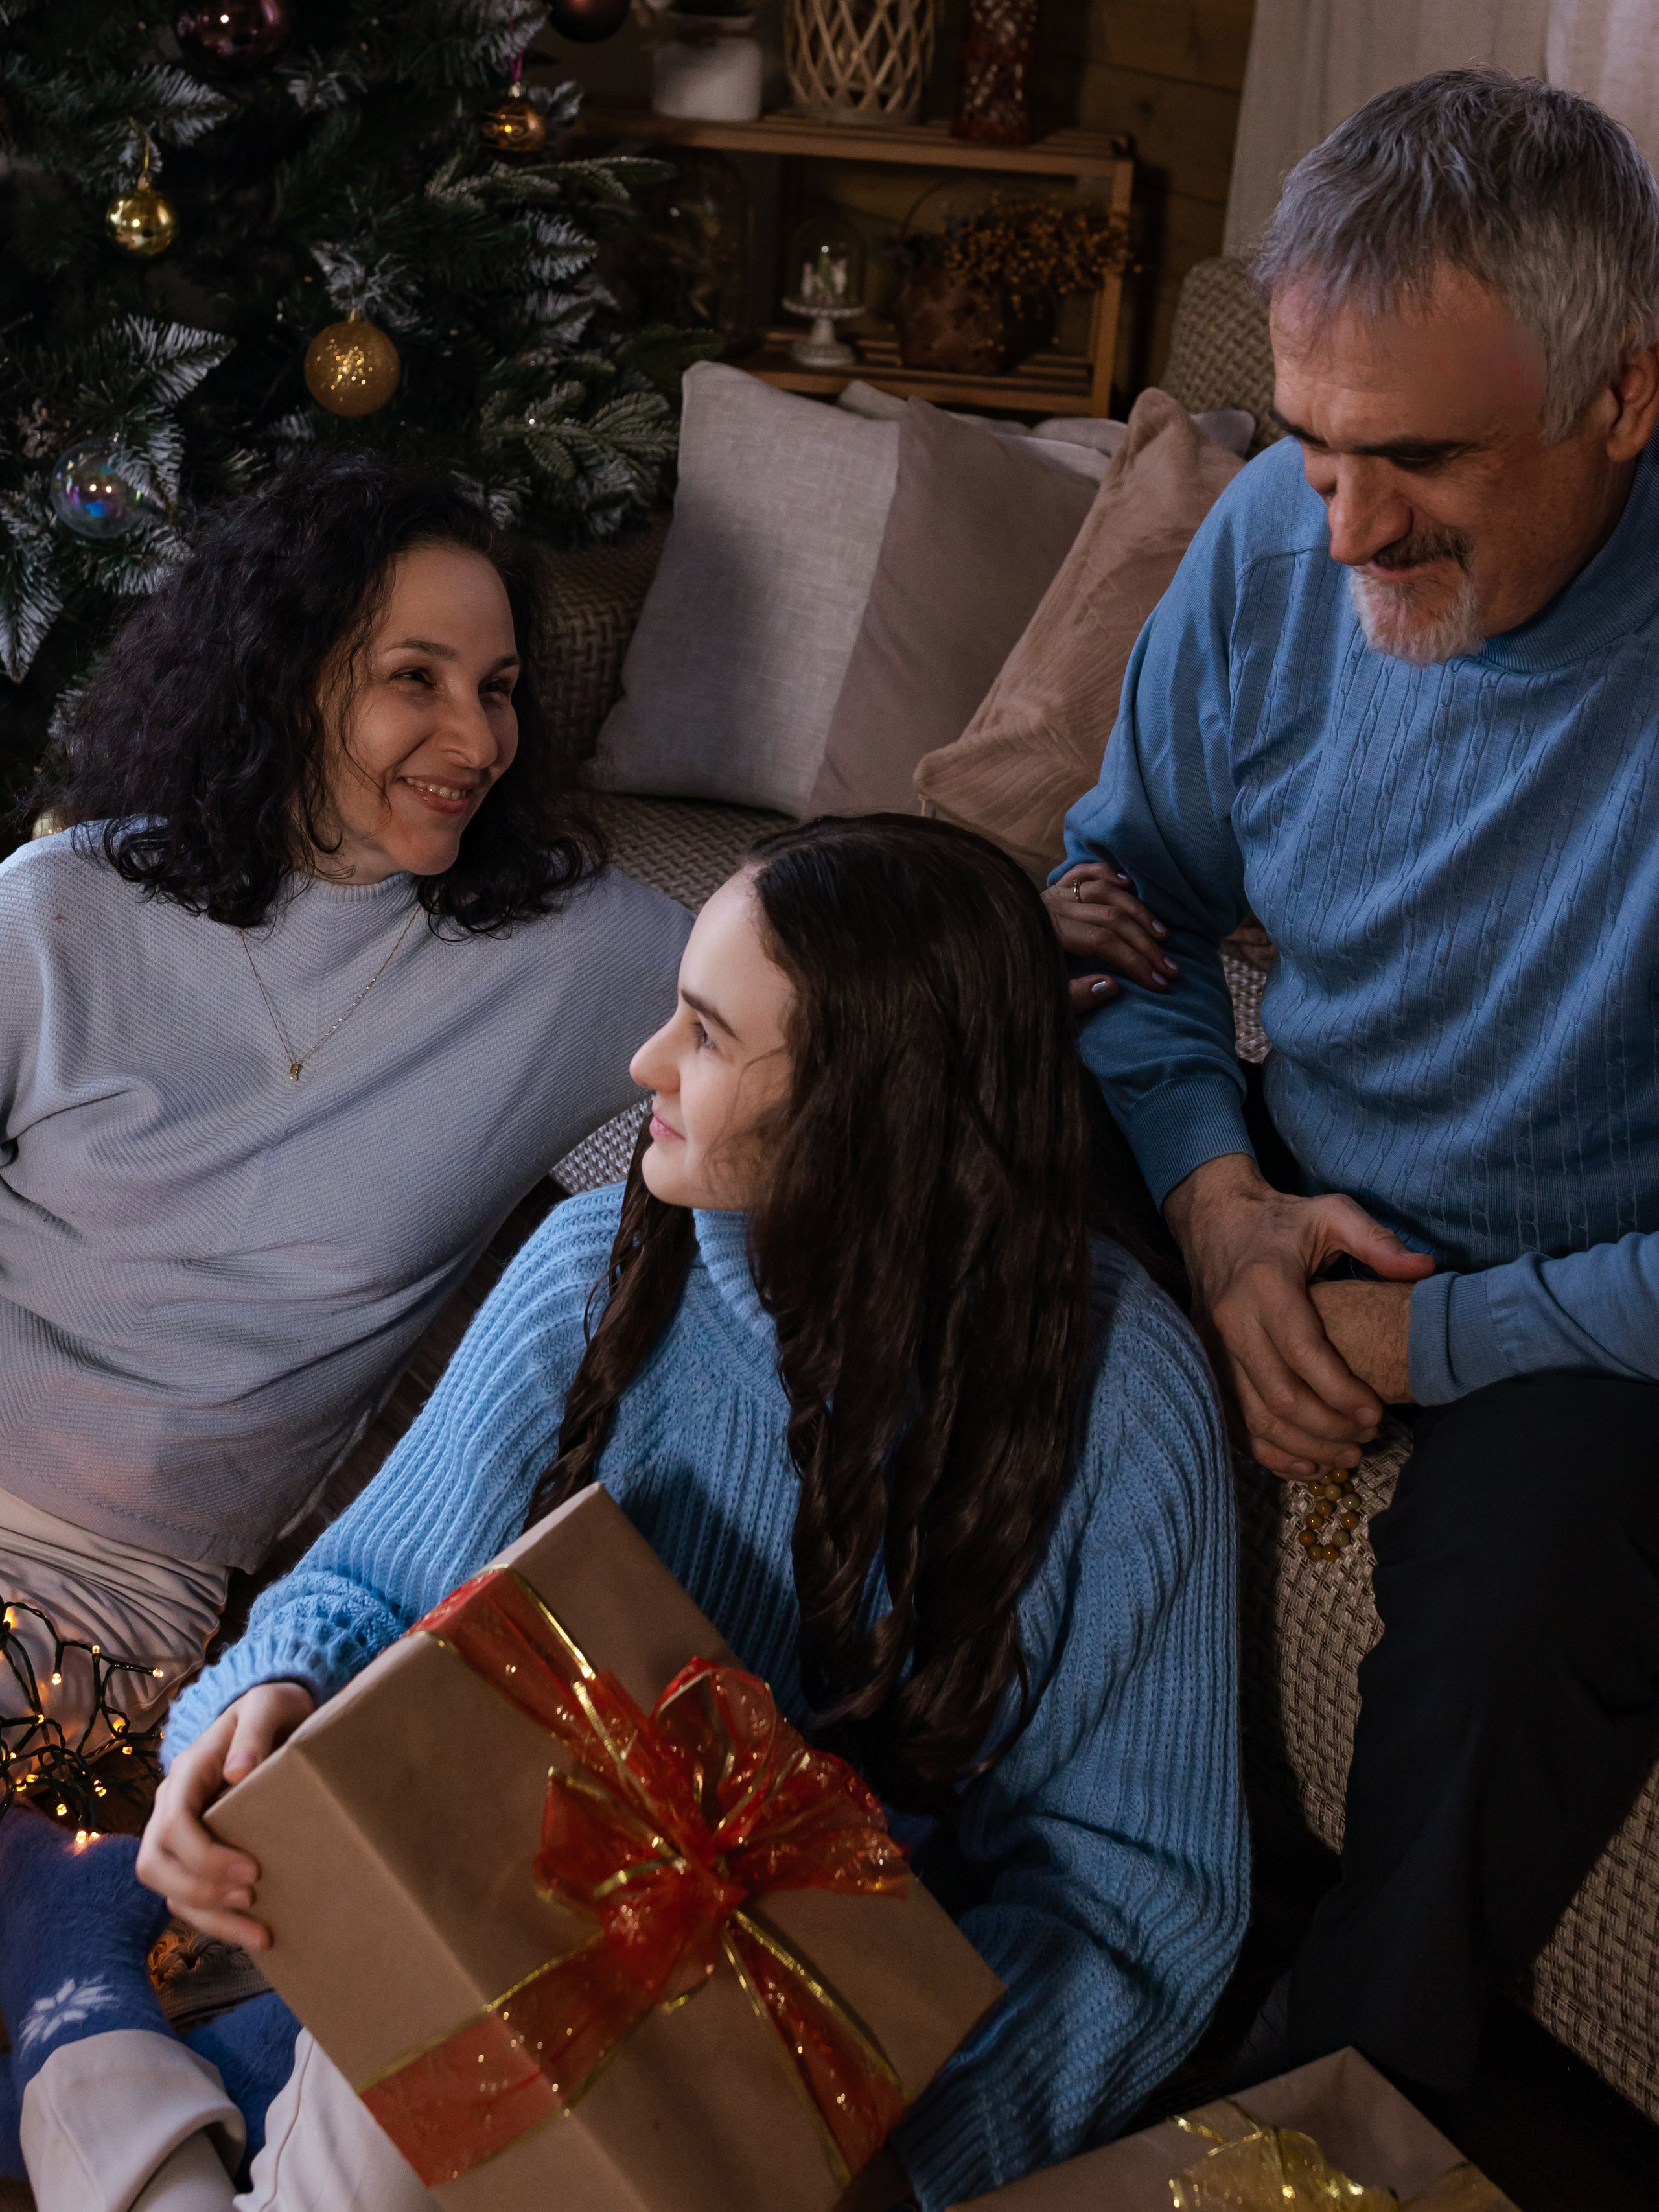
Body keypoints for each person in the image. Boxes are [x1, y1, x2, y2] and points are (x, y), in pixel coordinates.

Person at [0, 817, 1246, 2212]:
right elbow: (357, 1594)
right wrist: (265, 1707)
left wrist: (881, 2151)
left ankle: (86, 2027)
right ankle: (91, 1998)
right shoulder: (593, 1273)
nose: (643, 1065)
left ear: (864, 1106)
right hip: (486, 1939)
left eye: (703, 1037)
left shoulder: (1125, 1400)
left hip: (801, 2078)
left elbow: (1137, 1902)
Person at [1058, 67, 1659, 2101]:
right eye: (1314, 448)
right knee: (885, 1160)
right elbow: (1124, 906)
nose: (1348, 527)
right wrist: (1220, 1202)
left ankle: (1328, 2124)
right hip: (1285, 1167)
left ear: (1624, 398)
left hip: (1588, 1286)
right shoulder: (1268, 542)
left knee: (1516, 1620)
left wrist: (1433, 1341)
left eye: (1417, 458)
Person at [0, 453, 690, 1747]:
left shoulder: (569, 959)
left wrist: (1030, 936)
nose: (478, 740)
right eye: (413, 680)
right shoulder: (62, 910)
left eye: (498, 691)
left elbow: (815, 986)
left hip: (100, 1612)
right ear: (285, 677)